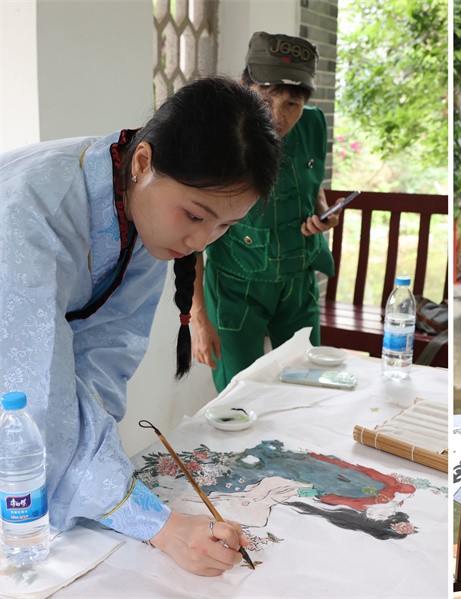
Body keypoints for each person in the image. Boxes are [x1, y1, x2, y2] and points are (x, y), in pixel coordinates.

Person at [0, 76, 281, 575]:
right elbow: (33, 393)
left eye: (224, 226)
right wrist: (157, 524)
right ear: (143, 162)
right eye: (195, 215)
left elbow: (106, 355)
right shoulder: (31, 209)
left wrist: (106, 480)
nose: (201, 241)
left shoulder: (142, 211)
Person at [190, 32, 341, 392]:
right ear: (245, 87)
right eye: (265, 98)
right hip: (235, 288)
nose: (276, 116)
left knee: (307, 388)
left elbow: (311, 183)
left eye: (291, 103)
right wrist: (197, 317)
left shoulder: (312, 125)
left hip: (297, 281)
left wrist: (322, 212)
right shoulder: (216, 137)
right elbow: (190, 234)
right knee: (238, 393)